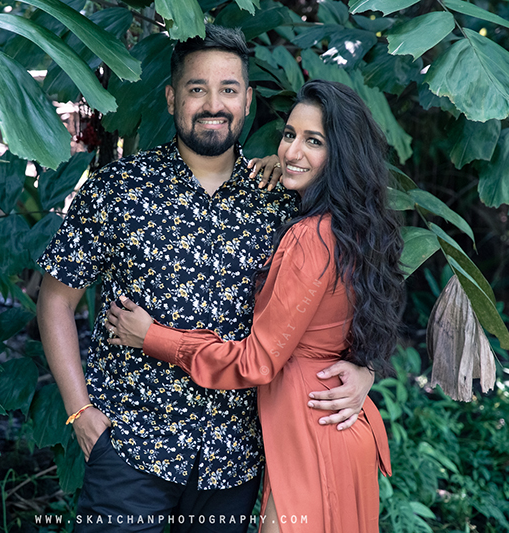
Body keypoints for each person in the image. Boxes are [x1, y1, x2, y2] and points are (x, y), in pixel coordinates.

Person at [37, 26, 375, 532]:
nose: (213, 104)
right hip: (131, 447)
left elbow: (352, 290)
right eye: (197, 89)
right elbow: (55, 300)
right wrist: (78, 411)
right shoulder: (118, 189)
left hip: (233, 461)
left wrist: (364, 369)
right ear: (173, 98)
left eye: (228, 90)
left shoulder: (285, 200)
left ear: (248, 101)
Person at [106, 80, 405, 533]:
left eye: (314, 141)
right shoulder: (355, 228)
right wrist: (365, 370)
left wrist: (153, 337)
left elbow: (258, 361)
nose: (293, 151)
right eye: (289, 135)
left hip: (311, 438)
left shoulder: (311, 238)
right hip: (338, 429)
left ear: (343, 153)